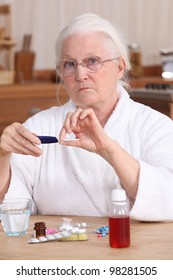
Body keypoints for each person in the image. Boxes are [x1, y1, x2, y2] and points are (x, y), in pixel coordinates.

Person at [0, 13, 173, 221]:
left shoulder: (155, 126)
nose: (80, 75)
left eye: (92, 61)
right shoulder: (39, 127)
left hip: (133, 250)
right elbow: (11, 210)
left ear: (120, 67)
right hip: (56, 251)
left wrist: (109, 150)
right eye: (69, 64)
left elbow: (168, 200)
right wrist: (2, 156)